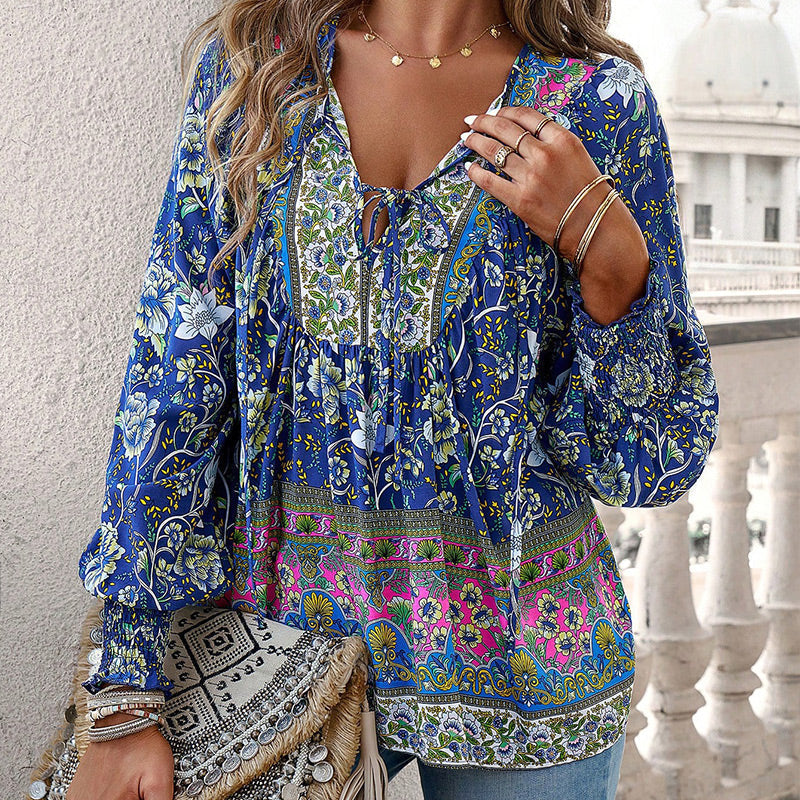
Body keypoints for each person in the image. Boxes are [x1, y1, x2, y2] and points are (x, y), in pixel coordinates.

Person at [67, 1, 719, 798]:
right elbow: (172, 385)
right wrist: (124, 694)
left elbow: (647, 466)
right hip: (277, 687)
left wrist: (613, 262)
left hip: (534, 699)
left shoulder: (598, 102)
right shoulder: (262, 75)